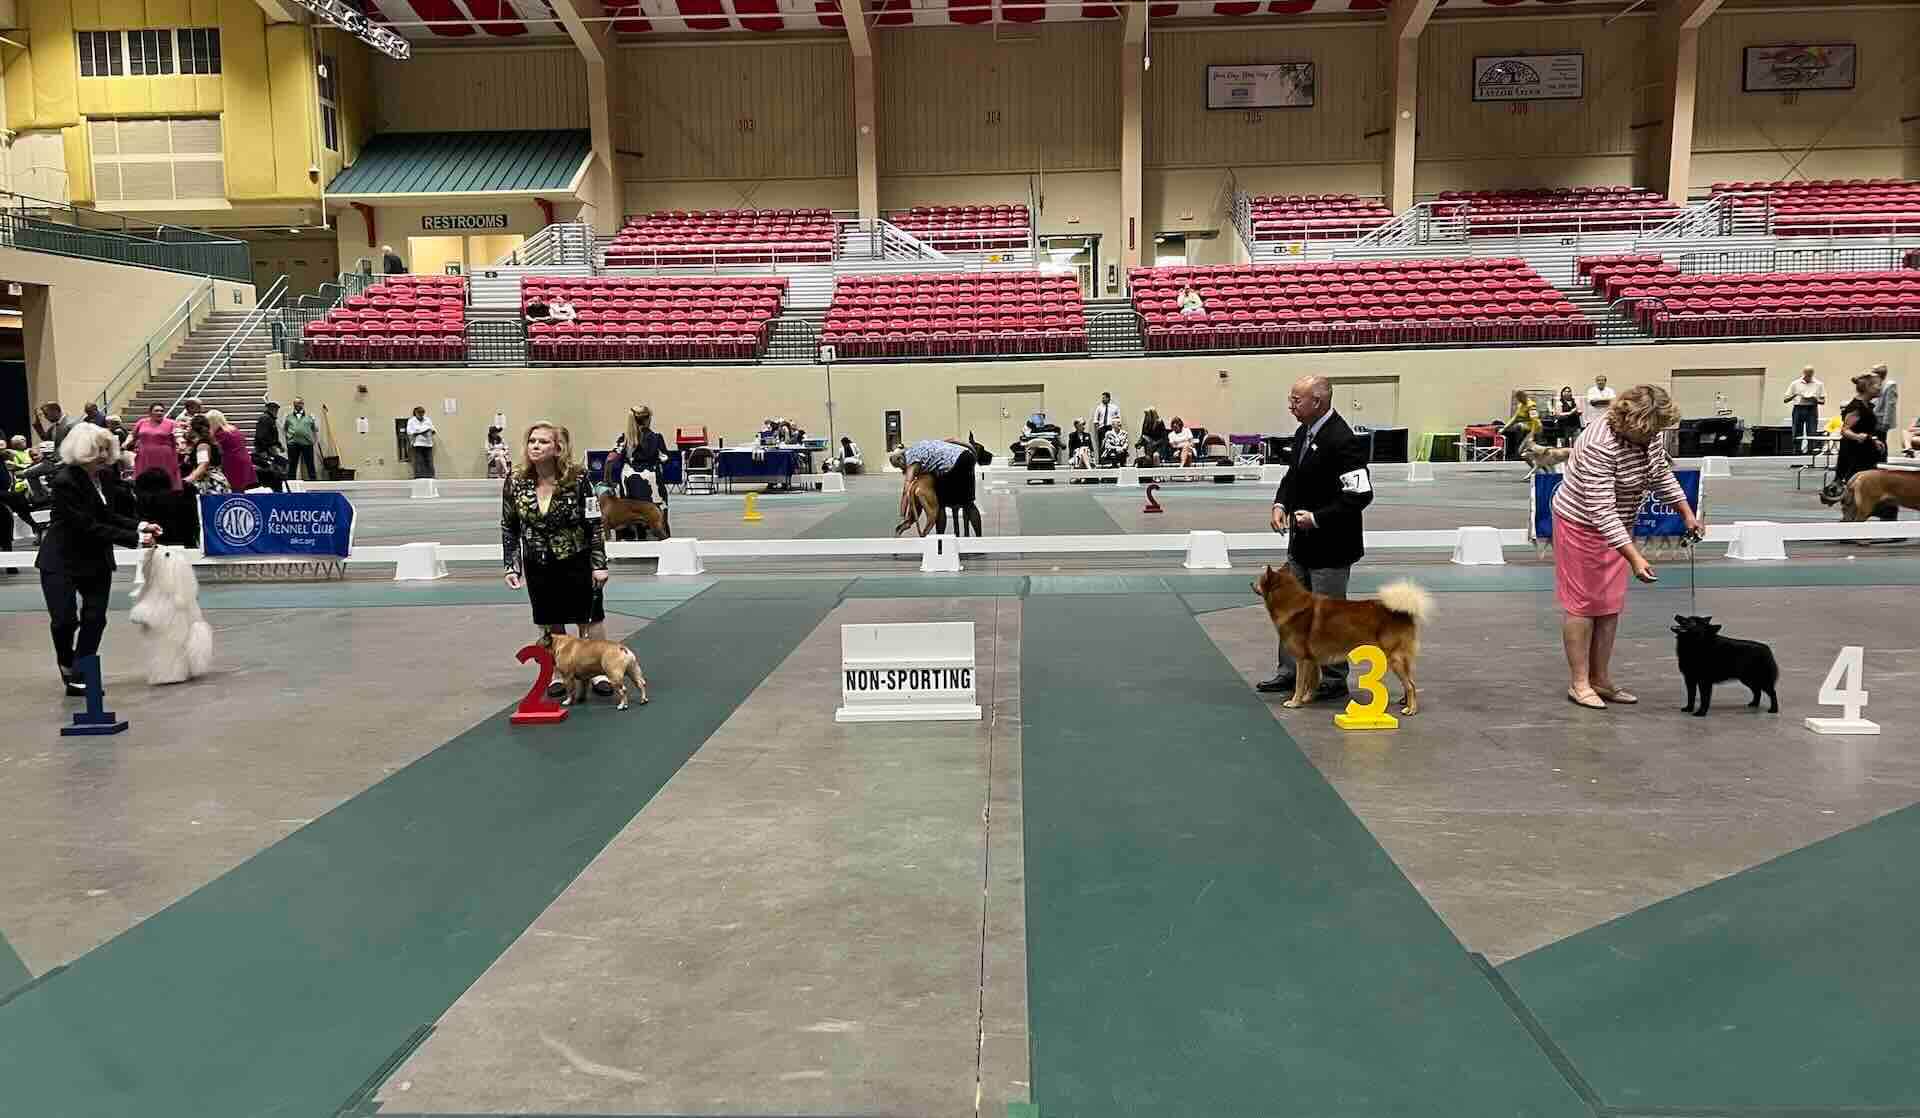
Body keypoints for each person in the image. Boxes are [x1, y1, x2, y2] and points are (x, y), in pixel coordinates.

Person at [1552, 384, 1702, 711]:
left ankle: (1600, 679)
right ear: (1637, 424)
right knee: (1583, 605)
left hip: (1620, 523)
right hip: (1582, 524)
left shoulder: (1650, 435)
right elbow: (1600, 510)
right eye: (1655, 428)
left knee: (1608, 604)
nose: (1658, 434)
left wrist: (1686, 512)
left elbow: (1659, 473)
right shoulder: (1598, 444)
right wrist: (1634, 556)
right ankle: (1579, 683)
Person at [1259, 375, 1372, 701]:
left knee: (1329, 617)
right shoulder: (1303, 432)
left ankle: (1333, 679)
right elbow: (1293, 476)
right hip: (1301, 546)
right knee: (1288, 608)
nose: (1291, 405)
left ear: (1318, 403)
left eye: (1297, 400)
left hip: (1331, 549)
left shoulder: (1343, 440)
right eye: (1291, 398)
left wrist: (1318, 518)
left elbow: (1360, 495)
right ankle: (1290, 672)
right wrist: (1281, 503)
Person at [36, 423, 158, 694]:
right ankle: (66, 662)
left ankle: (81, 672)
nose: (103, 455)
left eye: (106, 449)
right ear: (81, 450)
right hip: (61, 560)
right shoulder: (65, 481)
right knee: (64, 620)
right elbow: (85, 525)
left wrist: (140, 526)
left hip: (95, 559)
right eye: (97, 450)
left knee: (95, 617)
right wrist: (135, 541)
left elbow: (107, 516)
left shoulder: (106, 478)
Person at [500, 421, 613, 697]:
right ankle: (557, 673)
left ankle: (597, 671)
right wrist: (511, 565)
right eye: (531, 441)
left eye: (543, 441)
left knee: (588, 617)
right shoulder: (515, 480)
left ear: (557, 448)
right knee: (550, 620)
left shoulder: (578, 478)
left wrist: (599, 564)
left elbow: (594, 522)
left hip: (575, 557)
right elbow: (509, 525)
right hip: (537, 562)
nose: (535, 446)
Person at [893, 437, 980, 537]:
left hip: (952, 466)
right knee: (969, 504)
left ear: (901, 460)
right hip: (967, 456)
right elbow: (952, 439)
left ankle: (940, 541)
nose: (902, 470)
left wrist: (902, 515)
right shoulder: (920, 444)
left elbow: (905, 491)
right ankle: (980, 540)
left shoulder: (911, 463)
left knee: (940, 506)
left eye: (900, 467)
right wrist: (972, 449)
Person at [1833, 372, 1886, 492]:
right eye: (1877, 385)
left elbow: (1863, 428)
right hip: (1854, 456)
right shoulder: (1856, 406)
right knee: (1857, 492)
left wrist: (1873, 440)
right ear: (1867, 387)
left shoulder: (1866, 405)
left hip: (1864, 454)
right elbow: (1845, 431)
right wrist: (1858, 437)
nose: (1880, 388)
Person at [608, 406, 669, 504]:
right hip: (652, 484)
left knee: (630, 515)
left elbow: (610, 459)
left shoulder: (624, 439)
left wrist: (608, 480)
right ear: (648, 419)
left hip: (628, 482)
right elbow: (665, 459)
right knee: (657, 516)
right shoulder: (656, 438)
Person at [129, 404, 182, 490]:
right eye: (156, 410)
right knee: (145, 480)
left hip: (165, 457)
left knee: (165, 480)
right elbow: (133, 435)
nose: (159, 413)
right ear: (150, 412)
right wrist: (126, 443)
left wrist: (180, 442)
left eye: (162, 411)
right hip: (144, 456)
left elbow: (178, 435)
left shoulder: (172, 423)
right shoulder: (142, 422)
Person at [208, 410, 257, 492]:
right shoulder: (233, 429)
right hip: (244, 460)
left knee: (235, 490)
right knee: (243, 489)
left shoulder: (220, 433)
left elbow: (216, 449)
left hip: (233, 463)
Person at [1783, 366, 1825, 454]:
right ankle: (1797, 452)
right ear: (1804, 373)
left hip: (1812, 408)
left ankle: (1811, 452)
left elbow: (1823, 401)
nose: (1808, 377)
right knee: (1797, 431)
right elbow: (1785, 400)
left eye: (1810, 375)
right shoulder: (1795, 383)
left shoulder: (1819, 384)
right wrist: (1796, 395)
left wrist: (1815, 399)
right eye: (1807, 374)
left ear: (1813, 374)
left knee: (1812, 431)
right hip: (1798, 408)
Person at [183, 415, 230, 494]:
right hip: (218, 479)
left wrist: (188, 479)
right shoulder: (211, 442)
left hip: (209, 484)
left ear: (193, 429)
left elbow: (203, 465)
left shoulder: (203, 445)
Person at [285, 399, 320, 482]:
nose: (298, 405)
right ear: (293, 405)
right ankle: (291, 484)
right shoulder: (288, 417)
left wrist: (313, 440)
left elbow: (315, 429)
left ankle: (313, 482)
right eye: (296, 403)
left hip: (307, 444)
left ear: (303, 404)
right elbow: (285, 429)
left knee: (310, 464)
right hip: (293, 444)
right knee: (292, 465)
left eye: (299, 403)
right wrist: (289, 440)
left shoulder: (310, 417)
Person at [1501, 390, 1542, 460]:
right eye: (1518, 399)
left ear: (1524, 397)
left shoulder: (1531, 405)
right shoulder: (1521, 405)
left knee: (1527, 451)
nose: (1518, 400)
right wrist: (1504, 428)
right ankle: (1537, 467)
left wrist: (1532, 435)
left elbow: (1534, 421)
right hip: (1526, 429)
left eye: (1519, 398)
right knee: (1524, 452)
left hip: (1535, 429)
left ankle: (1543, 463)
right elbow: (1514, 418)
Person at [405, 405, 437, 479]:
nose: (421, 414)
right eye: (419, 413)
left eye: (423, 413)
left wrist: (430, 432)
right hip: (417, 444)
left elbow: (433, 430)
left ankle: (431, 477)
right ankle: (418, 478)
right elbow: (409, 432)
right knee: (419, 462)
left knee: (429, 462)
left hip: (428, 444)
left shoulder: (428, 419)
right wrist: (420, 432)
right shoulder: (411, 420)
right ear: (415, 413)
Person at [1869, 365, 1898, 446]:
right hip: (1872, 419)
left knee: (1881, 441)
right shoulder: (1875, 384)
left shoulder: (1889, 385)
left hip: (1881, 420)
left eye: (1872, 371)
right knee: (1874, 443)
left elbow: (1890, 405)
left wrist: (1886, 422)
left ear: (1878, 374)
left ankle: (1883, 459)